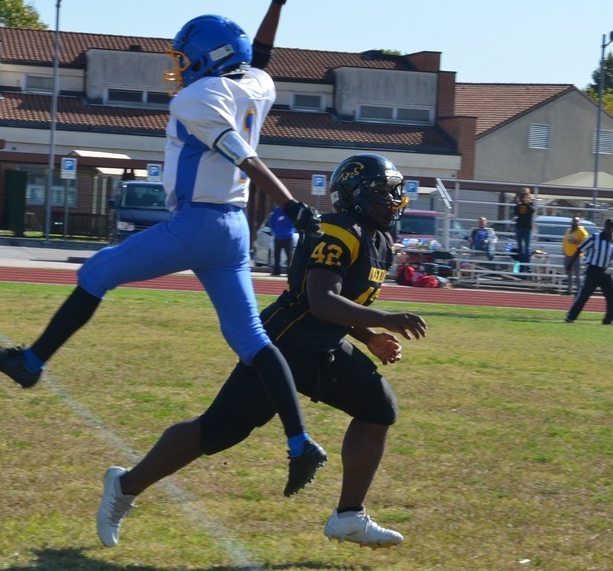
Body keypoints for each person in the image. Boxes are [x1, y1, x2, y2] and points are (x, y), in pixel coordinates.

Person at [0, 0, 328, 497]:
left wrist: (292, 204)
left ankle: (31, 361)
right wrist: (278, 2)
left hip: (199, 223)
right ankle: (301, 442)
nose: (178, 68)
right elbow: (261, 54)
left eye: (184, 58)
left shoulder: (197, 98)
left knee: (96, 272)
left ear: (208, 60)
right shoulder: (254, 82)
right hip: (232, 228)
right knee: (251, 338)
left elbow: (241, 152)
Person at [95, 153, 426, 549]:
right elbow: (320, 301)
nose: (392, 200)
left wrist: (368, 335)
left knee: (378, 407)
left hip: (324, 346)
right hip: (284, 345)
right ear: (355, 195)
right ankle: (125, 485)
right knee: (218, 431)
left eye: (394, 192)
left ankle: (349, 517)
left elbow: (338, 304)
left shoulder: (378, 239)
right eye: (382, 192)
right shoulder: (338, 232)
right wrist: (386, 319)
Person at [565, 218, 613, 325]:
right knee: (584, 295)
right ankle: (571, 316)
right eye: (608, 227)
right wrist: (570, 264)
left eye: (612, 228)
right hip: (593, 270)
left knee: (612, 295)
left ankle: (608, 320)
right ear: (604, 227)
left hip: (605, 271)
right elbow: (580, 249)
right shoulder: (594, 238)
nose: (609, 230)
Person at [562, 215, 590, 295]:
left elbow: (585, 244)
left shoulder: (582, 232)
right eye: (574, 220)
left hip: (577, 256)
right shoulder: (568, 231)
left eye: (576, 221)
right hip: (568, 255)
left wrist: (575, 242)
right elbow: (564, 242)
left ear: (579, 222)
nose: (575, 222)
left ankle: (579, 290)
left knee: (578, 275)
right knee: (569, 274)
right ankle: (569, 290)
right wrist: (564, 251)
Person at [269, 203, 296, 276]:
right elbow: (271, 222)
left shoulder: (290, 211)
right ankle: (276, 271)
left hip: (288, 237)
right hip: (278, 237)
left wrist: (289, 230)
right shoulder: (277, 210)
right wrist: (275, 230)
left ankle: (290, 272)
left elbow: (294, 222)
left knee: (289, 256)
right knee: (276, 256)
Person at [513, 187, 535, 272]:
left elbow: (532, 211)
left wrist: (527, 203)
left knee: (527, 248)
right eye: (522, 195)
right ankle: (520, 268)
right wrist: (518, 203)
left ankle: (529, 268)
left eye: (525, 195)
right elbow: (515, 212)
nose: (524, 196)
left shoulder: (530, 203)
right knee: (520, 248)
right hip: (519, 227)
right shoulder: (519, 204)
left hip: (527, 228)